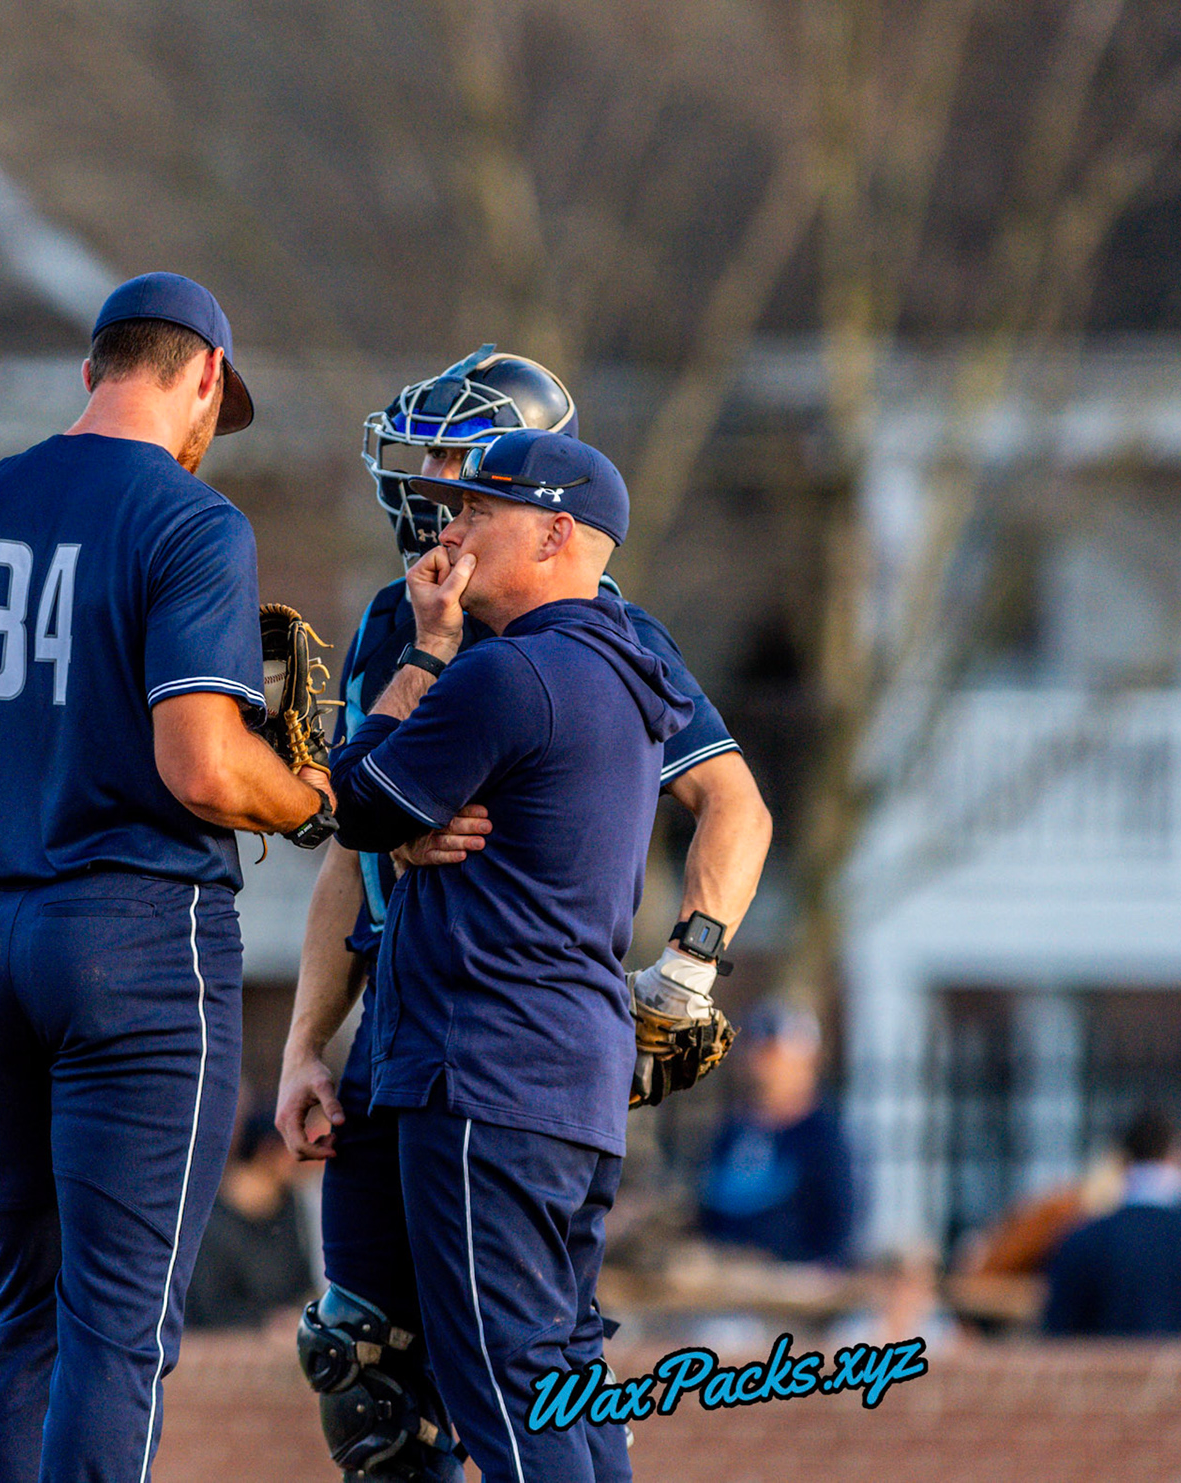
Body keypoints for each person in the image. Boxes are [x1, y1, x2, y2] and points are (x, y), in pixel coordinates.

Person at [275, 349, 772, 1481]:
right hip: (407, 1031)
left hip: (483, 1045)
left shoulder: (591, 635)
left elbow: (733, 806)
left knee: (507, 1382)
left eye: (472, 483)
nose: (441, 506)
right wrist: (310, 1041)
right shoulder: (403, 615)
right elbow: (352, 848)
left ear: (549, 524)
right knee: (373, 1367)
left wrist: (688, 968)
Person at [0, 272, 337, 1483]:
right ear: (203, 374)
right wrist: (314, 798)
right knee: (120, 1329)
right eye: (222, 402)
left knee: (28, 1317)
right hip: (137, 931)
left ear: (92, 368)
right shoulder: (188, 519)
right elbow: (207, 765)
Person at [326, 428, 694, 1483]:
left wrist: (426, 651)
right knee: (566, 1379)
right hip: (573, 1075)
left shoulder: (514, 673)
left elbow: (346, 803)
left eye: (480, 511)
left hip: (484, 1070)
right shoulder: (630, 672)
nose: (450, 527)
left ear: (558, 533)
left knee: (503, 1393)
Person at [1043, 1108, 1181, 1338]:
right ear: (1179, 1156)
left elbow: (1057, 1335)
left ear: (1123, 1159)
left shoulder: (1083, 1242)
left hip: (1107, 1372)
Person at [695, 1001, 856, 1267]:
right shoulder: (732, 1132)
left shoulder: (823, 1138)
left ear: (806, 1060)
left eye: (774, 1055)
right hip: (724, 1284)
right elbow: (709, 1211)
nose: (763, 1066)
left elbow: (838, 1230)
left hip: (793, 1287)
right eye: (757, 1053)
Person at [185, 1115, 317, 1331]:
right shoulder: (211, 1216)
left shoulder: (290, 1206)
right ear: (267, 1150)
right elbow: (208, 1306)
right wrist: (267, 1323)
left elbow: (303, 1283)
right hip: (222, 1346)